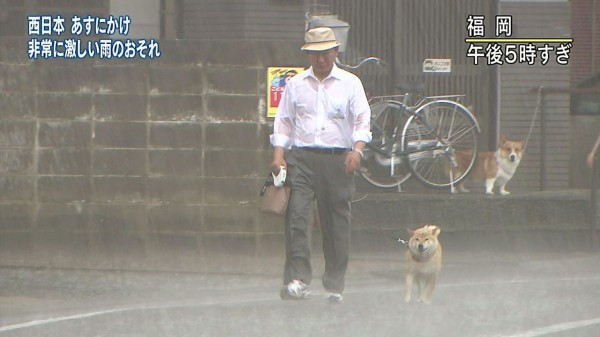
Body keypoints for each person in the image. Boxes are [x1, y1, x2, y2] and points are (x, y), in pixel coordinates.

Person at [269, 26, 372, 303]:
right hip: (301, 158)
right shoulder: (296, 84)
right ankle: (298, 279)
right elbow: (284, 120)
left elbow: (363, 119)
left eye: (325, 53)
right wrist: (279, 155)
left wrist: (357, 150)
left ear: (335, 52)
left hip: (338, 159)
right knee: (297, 219)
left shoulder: (351, 83)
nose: (321, 60)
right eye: (314, 54)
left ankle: (335, 282)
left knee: (336, 223)